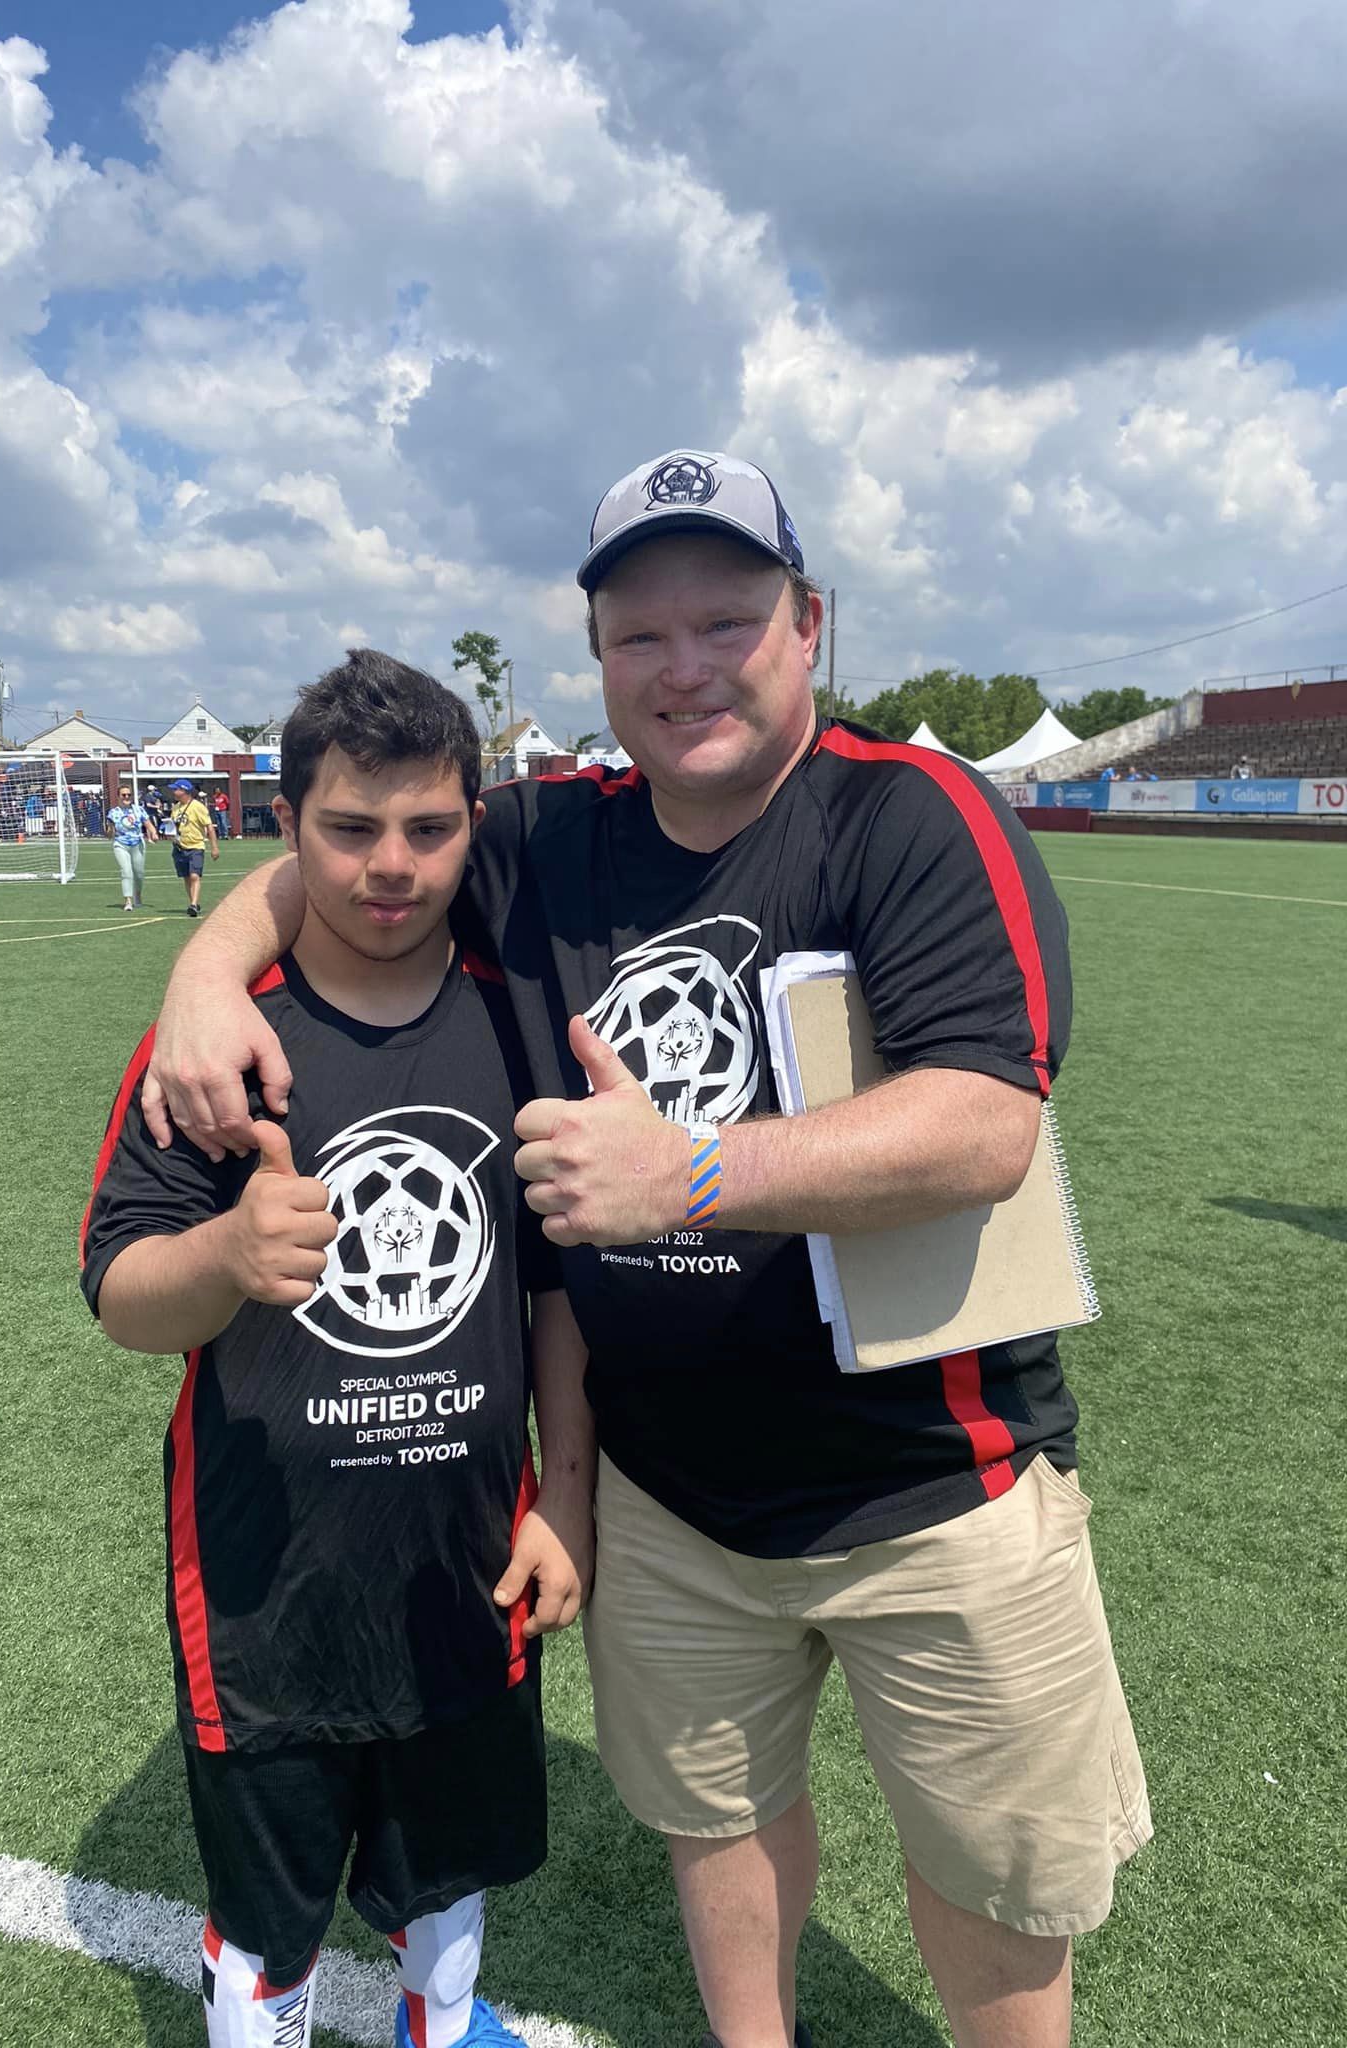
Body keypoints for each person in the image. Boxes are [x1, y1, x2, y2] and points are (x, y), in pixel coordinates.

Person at [141, 449, 1150, 2048]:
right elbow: (345, 855)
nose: (686, 669)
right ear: (599, 657)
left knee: (996, 1875)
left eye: (727, 622)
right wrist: (207, 971)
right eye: (641, 637)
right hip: (673, 1497)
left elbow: (985, 1122)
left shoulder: (907, 812)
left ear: (807, 624)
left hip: (931, 1482)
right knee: (721, 1825)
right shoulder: (553, 839)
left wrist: (687, 1169)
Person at [81, 653, 595, 2048]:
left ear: (473, 825)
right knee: (270, 1919)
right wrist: (227, 1259)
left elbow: (554, 1293)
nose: (392, 865)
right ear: (287, 831)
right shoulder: (214, 1053)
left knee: (450, 1884)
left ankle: (445, 2025)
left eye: (429, 829)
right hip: (268, 1592)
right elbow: (124, 1294)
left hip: (468, 1563)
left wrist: (567, 1499)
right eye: (351, 829)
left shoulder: (516, 1021)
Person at [170, 778, 221, 916]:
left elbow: (209, 827)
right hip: (179, 847)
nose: (174, 792)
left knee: (194, 875)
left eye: (176, 789)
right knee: (186, 876)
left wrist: (214, 847)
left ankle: (193, 904)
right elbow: (174, 826)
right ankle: (193, 902)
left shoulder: (198, 807)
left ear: (184, 791)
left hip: (196, 846)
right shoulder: (175, 807)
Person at [106, 784, 158, 911]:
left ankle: (138, 895)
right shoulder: (113, 813)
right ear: (118, 796)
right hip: (121, 844)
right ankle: (128, 900)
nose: (127, 797)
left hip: (137, 843)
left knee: (139, 873)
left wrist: (154, 833)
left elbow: (148, 823)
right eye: (124, 795)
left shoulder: (138, 810)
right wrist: (110, 829)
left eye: (129, 795)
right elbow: (109, 835)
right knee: (126, 872)